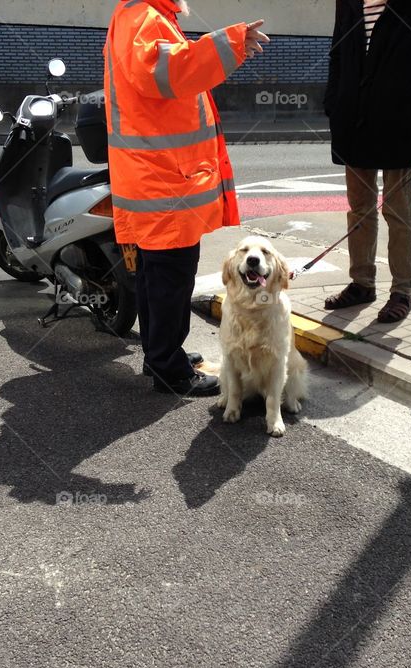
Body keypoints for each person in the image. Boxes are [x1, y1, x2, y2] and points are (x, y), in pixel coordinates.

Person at [104, 0, 269, 396]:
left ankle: (159, 355)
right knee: (169, 278)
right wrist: (228, 44)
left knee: (155, 275)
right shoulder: (143, 17)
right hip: (164, 185)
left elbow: (170, 72)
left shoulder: (144, 16)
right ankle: (169, 371)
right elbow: (171, 73)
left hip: (158, 181)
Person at [323, 0, 411, 323]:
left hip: (402, 124)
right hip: (354, 121)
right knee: (359, 207)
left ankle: (402, 291)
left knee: (398, 209)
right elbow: (338, 50)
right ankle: (362, 283)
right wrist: (333, 104)